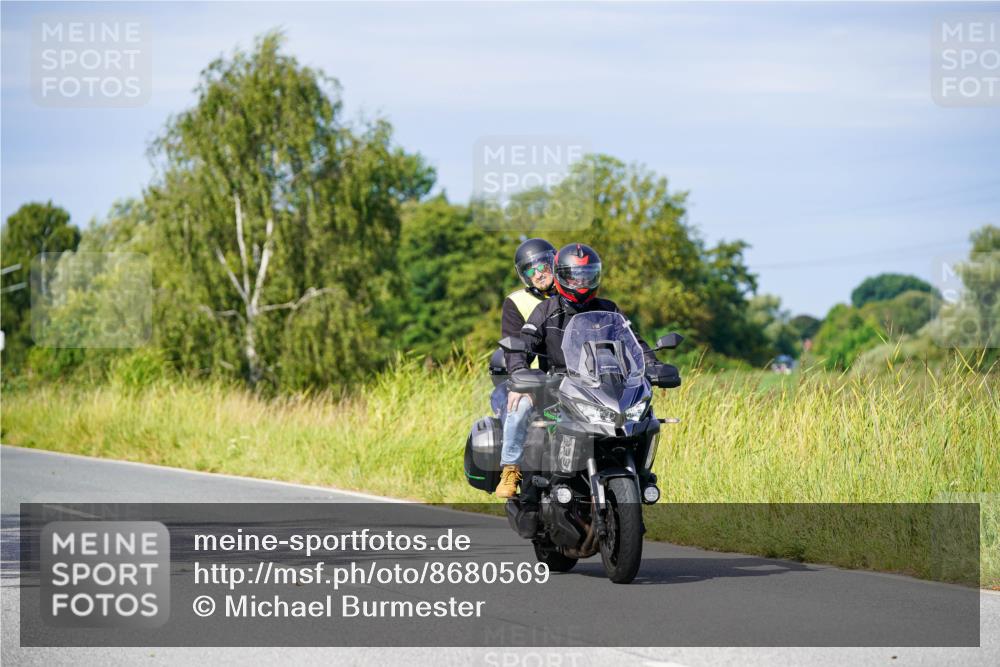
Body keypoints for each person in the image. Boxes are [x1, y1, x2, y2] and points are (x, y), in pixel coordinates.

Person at [494, 243, 662, 498]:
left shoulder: (608, 308)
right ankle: (510, 469)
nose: (539, 273)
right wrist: (519, 372)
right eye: (531, 271)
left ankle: (641, 474)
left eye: (543, 266)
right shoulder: (542, 309)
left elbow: (634, 341)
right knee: (518, 406)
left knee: (644, 413)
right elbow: (520, 343)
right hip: (554, 385)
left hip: (601, 385)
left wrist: (652, 364)